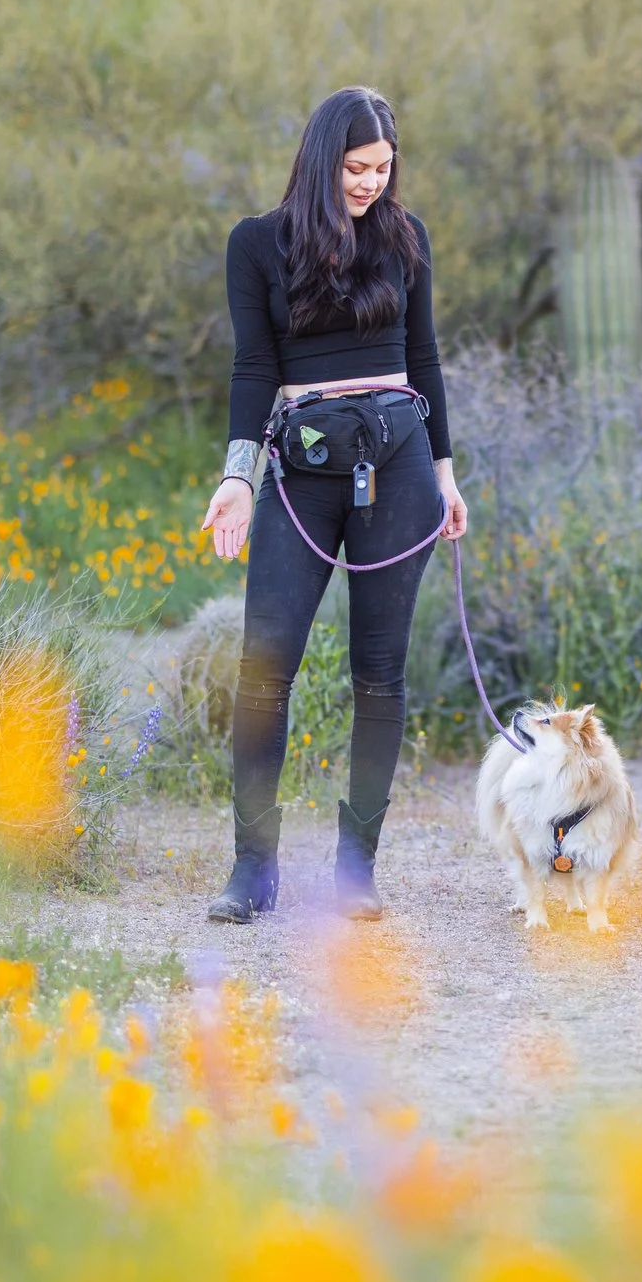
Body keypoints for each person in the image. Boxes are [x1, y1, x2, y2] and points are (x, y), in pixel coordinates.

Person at [197, 87, 469, 922]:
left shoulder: (405, 236)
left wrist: (447, 474)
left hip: (400, 464)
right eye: (356, 167)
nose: (371, 183)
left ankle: (357, 869)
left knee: (380, 674)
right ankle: (254, 867)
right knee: (264, 666)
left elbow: (424, 356)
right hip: (302, 471)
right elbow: (254, 367)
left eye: (383, 168)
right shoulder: (257, 244)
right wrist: (238, 476)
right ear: (323, 162)